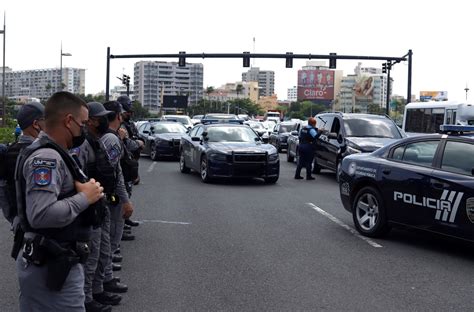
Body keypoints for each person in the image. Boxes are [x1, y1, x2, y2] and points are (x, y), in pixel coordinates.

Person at [15, 91, 104, 311]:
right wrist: (85, 197)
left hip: (56, 261)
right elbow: (41, 215)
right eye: (83, 123)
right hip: (51, 264)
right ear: (68, 121)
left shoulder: (56, 152)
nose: (85, 128)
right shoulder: (47, 158)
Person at [73, 102, 127, 312]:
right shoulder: (83, 145)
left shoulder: (97, 142)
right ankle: (87, 299)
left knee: (101, 251)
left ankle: (96, 290)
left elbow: (114, 171)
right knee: (92, 253)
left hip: (101, 203)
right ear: (92, 121)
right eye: (100, 117)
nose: (105, 120)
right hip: (89, 207)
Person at [1, 102, 45, 224]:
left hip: (19, 221)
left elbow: (5, 190)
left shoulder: (9, 151)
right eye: (45, 119)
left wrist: (14, 218)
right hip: (39, 221)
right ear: (36, 124)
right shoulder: (41, 152)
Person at [103, 101, 135, 262]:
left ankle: (105, 273)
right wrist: (124, 200)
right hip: (111, 195)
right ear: (117, 116)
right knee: (112, 232)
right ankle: (105, 276)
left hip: (103, 193)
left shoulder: (104, 136)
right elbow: (115, 172)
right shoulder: (111, 138)